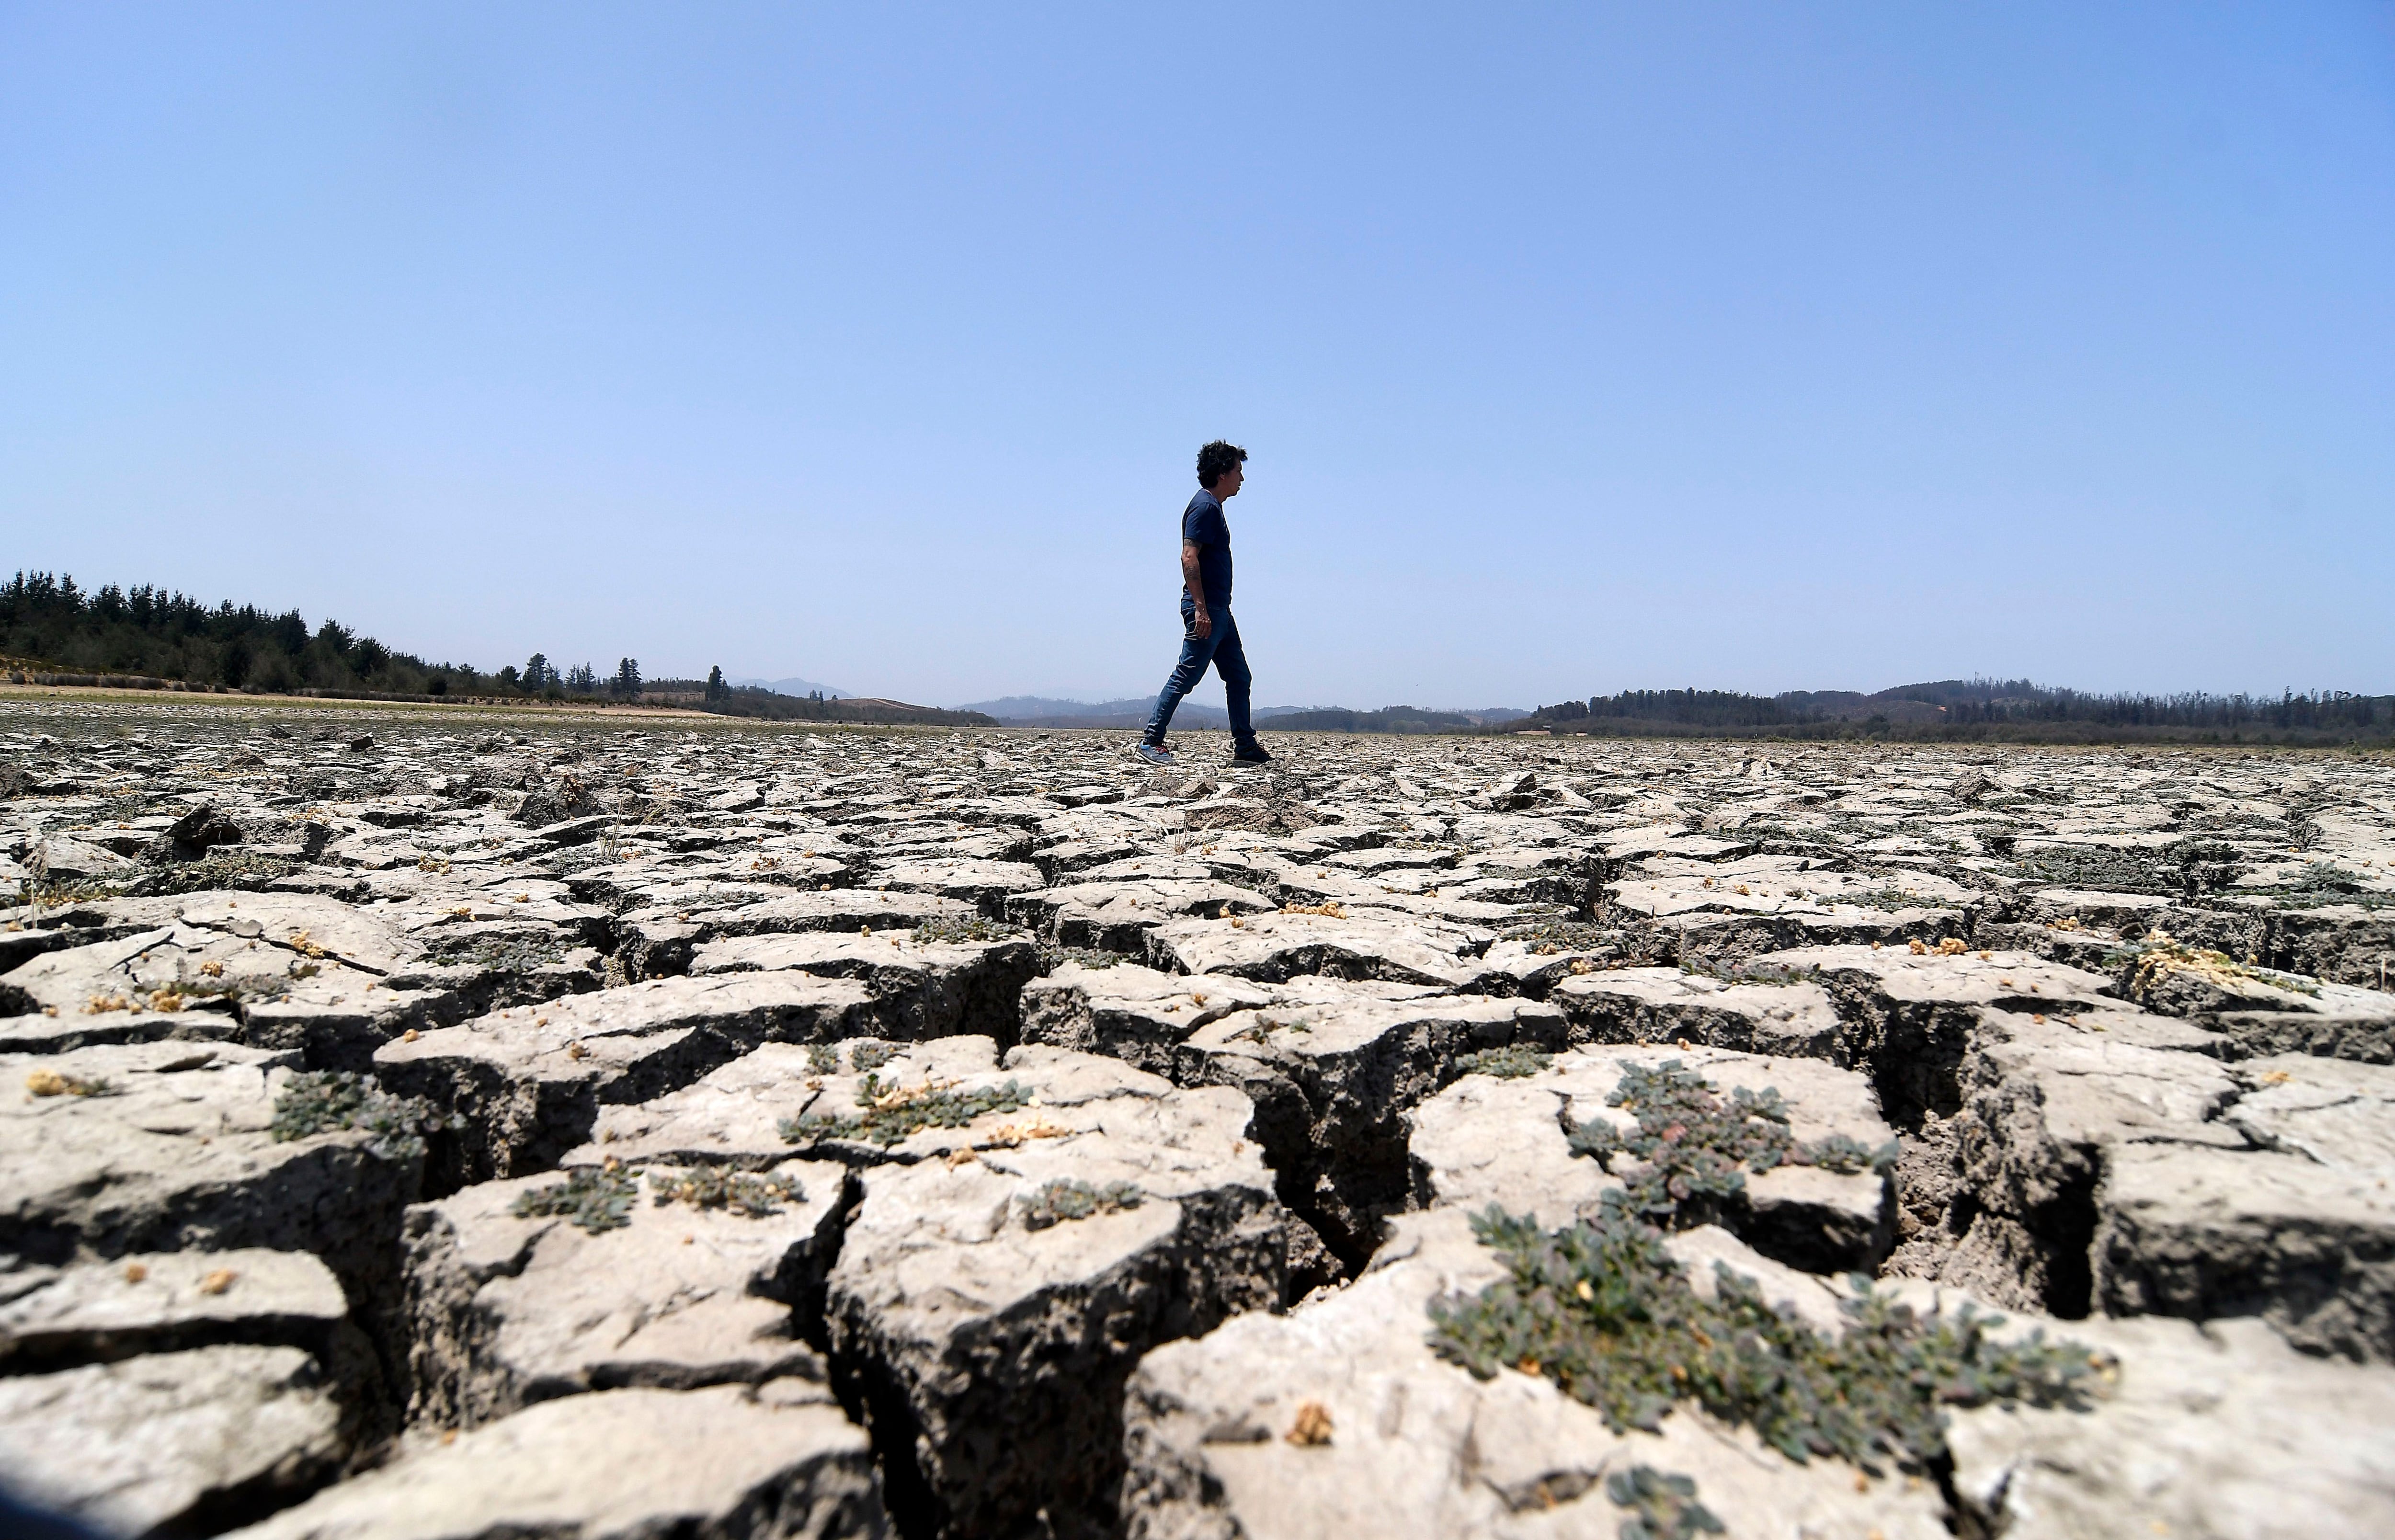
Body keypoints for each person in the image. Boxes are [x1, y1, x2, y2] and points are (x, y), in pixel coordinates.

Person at [1138, 441, 1270, 766]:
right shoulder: (1205, 507)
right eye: (1239, 471)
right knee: (1187, 674)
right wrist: (1200, 608)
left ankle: (1245, 744)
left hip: (1220, 610)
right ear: (1223, 473)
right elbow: (1189, 556)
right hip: (1207, 608)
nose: (1242, 478)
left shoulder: (1214, 507)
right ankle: (1151, 740)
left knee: (1239, 677)